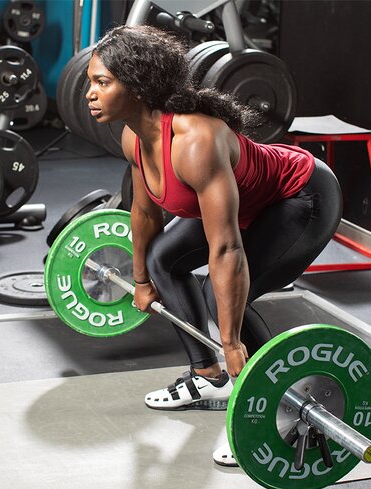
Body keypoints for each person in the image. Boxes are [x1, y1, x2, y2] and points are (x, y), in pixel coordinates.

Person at [86, 25, 342, 416]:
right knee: (161, 260)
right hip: (245, 201)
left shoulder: (195, 142)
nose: (90, 93)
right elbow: (144, 211)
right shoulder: (133, 137)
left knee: (218, 299)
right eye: (91, 82)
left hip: (301, 195)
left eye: (101, 82)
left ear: (137, 87)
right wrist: (140, 280)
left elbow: (225, 248)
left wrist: (232, 340)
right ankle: (208, 376)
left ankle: (265, 405)